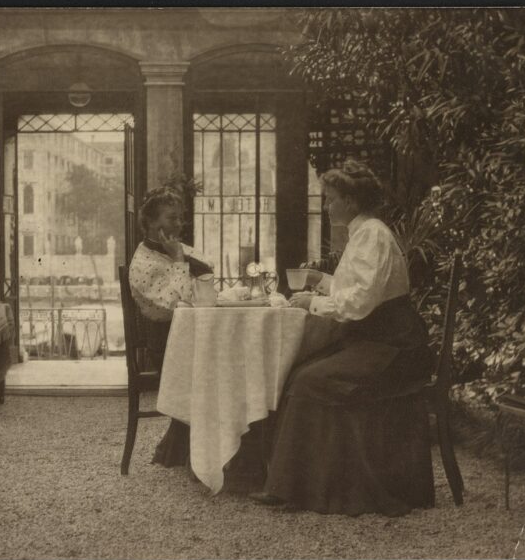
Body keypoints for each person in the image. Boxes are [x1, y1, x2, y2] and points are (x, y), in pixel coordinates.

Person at [254, 159, 436, 516]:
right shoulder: (364, 233)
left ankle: (307, 488)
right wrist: (318, 283)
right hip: (377, 338)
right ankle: (296, 482)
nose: (326, 206)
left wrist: (315, 303)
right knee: (301, 369)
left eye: (331, 198)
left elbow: (360, 303)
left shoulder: (373, 235)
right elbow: (352, 288)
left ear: (351, 201)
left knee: (310, 378)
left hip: (394, 346)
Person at [128, 190, 214, 470]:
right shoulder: (143, 263)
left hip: (192, 336)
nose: (179, 224)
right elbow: (173, 305)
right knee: (227, 368)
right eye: (171, 218)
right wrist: (179, 261)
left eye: (181, 218)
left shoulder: (173, 248)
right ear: (152, 222)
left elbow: (207, 269)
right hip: (167, 345)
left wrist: (180, 256)